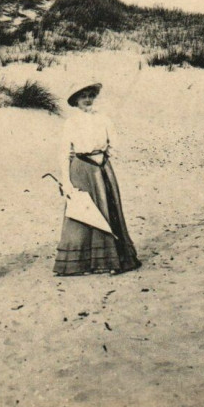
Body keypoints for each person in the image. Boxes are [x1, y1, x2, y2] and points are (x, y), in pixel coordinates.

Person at [54, 82, 141, 276]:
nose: (87, 99)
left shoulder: (104, 119)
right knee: (83, 211)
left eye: (90, 95)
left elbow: (114, 143)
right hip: (81, 169)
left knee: (108, 209)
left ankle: (112, 260)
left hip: (102, 168)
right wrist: (66, 182)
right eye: (83, 96)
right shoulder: (71, 123)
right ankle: (80, 263)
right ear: (76, 101)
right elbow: (64, 152)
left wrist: (104, 158)